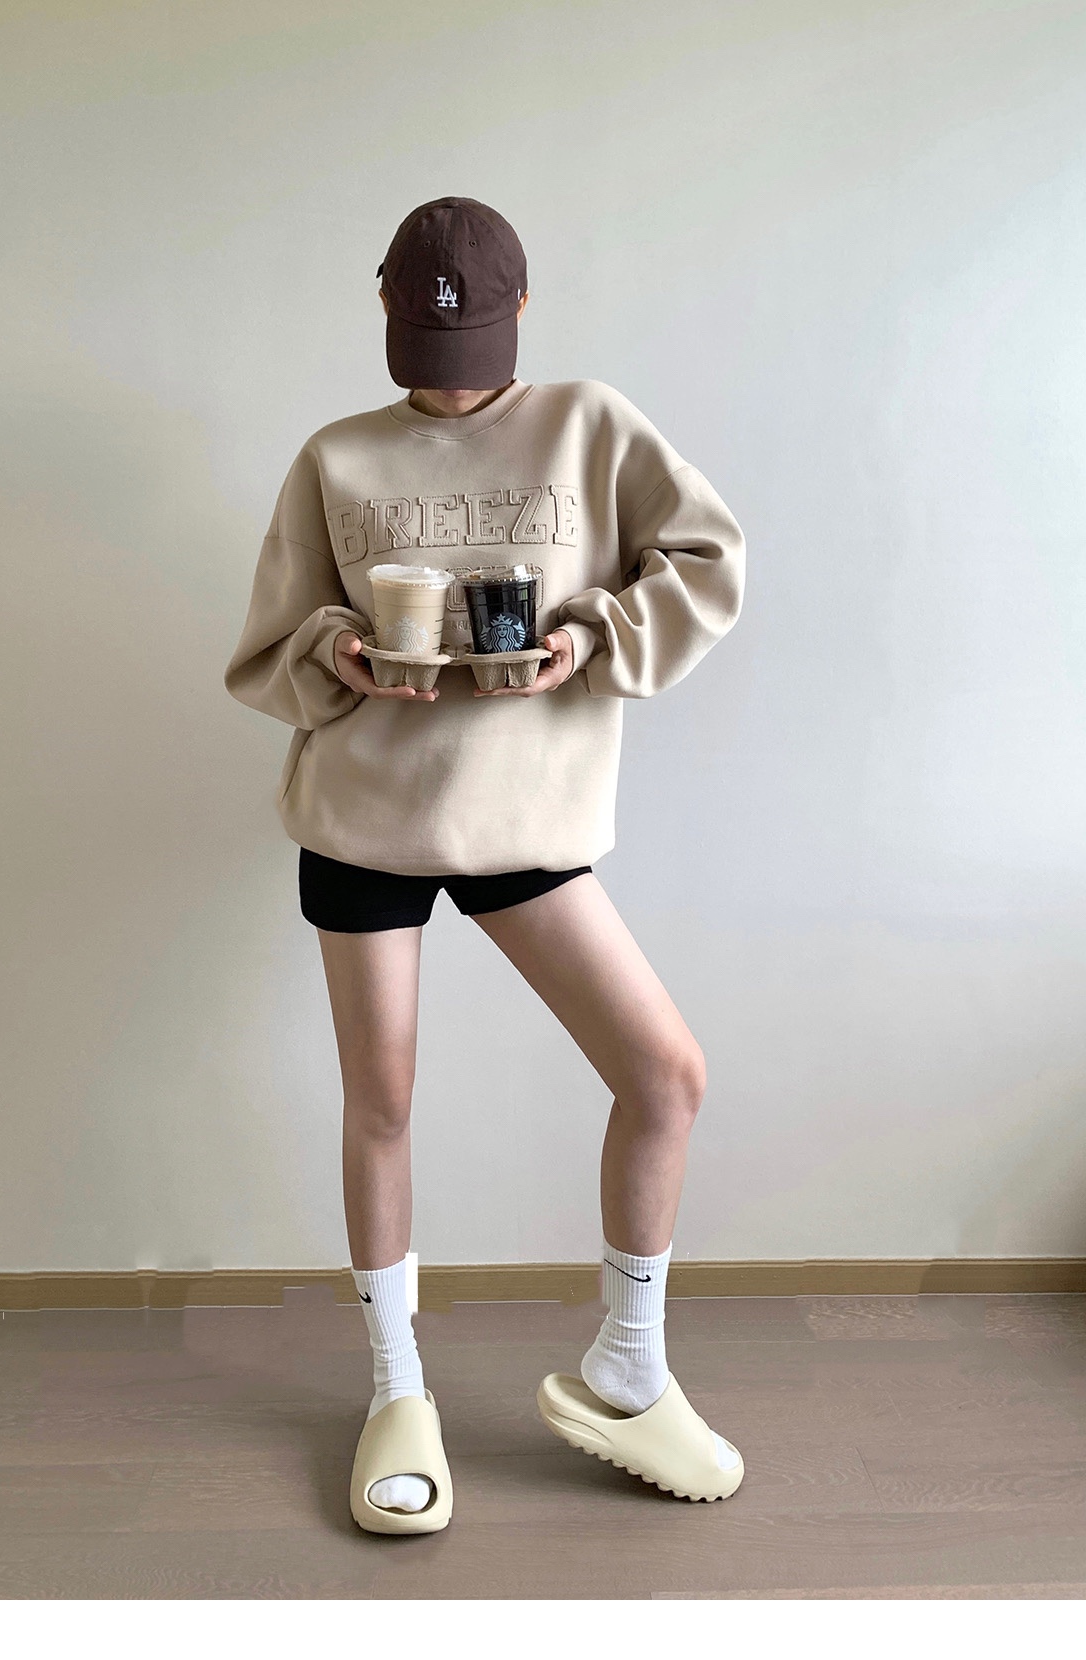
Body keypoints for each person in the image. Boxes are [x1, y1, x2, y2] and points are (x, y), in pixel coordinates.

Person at [224, 196, 747, 1534]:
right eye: (426, 346)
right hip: (363, 817)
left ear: (522, 309)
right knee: (384, 1101)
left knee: (664, 1075)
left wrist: (591, 635)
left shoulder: (590, 425)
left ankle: (628, 1367)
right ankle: (397, 1391)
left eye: (473, 347)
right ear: (384, 312)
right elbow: (272, 646)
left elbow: (707, 559)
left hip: (525, 823)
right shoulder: (337, 455)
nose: (452, 379)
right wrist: (340, 653)